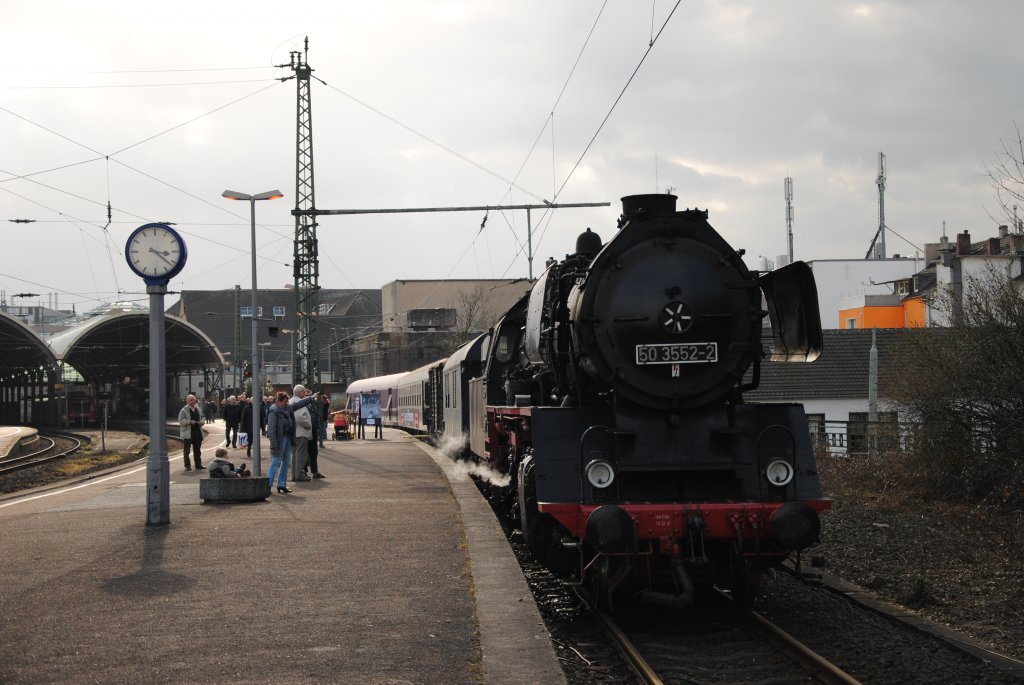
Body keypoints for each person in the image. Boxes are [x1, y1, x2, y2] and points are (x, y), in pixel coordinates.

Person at [267, 390, 318, 494]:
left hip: (287, 437)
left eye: (287, 401)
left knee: (286, 462)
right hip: (279, 440)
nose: (286, 403)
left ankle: (282, 484)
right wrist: (274, 444)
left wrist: (311, 398)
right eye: (284, 401)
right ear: (279, 401)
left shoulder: (288, 409)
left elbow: (299, 404)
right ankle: (267, 486)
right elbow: (271, 430)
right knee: (276, 461)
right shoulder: (273, 412)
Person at [289, 385, 314, 482]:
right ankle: (299, 474)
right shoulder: (298, 402)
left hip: (294, 433)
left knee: (295, 455)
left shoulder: (291, 401)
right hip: (301, 432)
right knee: (301, 454)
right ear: (300, 393)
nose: (305, 394)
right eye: (304, 392)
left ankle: (295, 474)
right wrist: (308, 425)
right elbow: (299, 417)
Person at [178, 393, 206, 471]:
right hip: (188, 433)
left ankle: (198, 464)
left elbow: (203, 417)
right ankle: (187, 465)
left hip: (197, 432)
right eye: (191, 400)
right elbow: (181, 421)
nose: (193, 401)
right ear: (187, 401)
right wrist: (189, 422)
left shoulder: (198, 409)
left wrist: (202, 422)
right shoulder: (183, 410)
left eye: (194, 399)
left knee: (197, 449)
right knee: (187, 450)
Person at [238, 393, 254, 458]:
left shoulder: (258, 408)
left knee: (255, 440)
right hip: (249, 427)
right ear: (250, 401)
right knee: (250, 440)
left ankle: (255, 452)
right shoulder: (246, 408)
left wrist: (263, 428)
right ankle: (248, 450)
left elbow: (261, 418)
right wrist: (242, 428)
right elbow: (243, 419)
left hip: (256, 428)